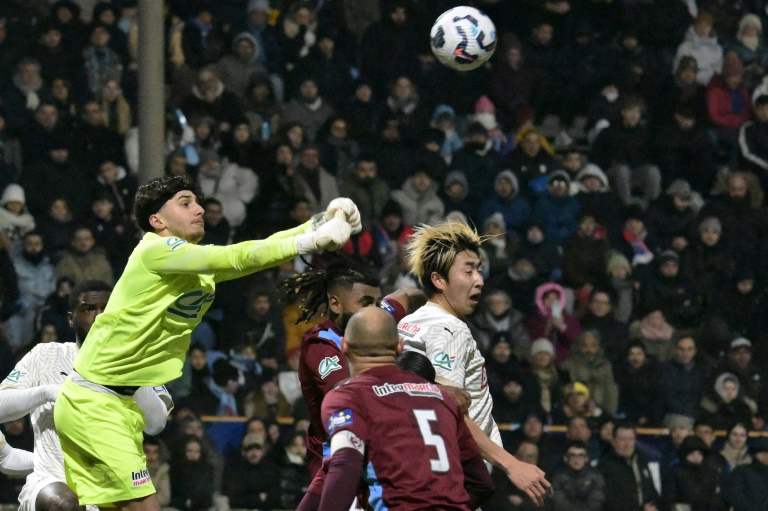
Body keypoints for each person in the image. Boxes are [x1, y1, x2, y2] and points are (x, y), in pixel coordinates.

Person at [53, 175, 360, 509]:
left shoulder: (192, 265)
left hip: (119, 402)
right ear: (157, 221)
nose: (198, 209)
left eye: (197, 202)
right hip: (96, 401)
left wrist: (317, 224)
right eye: (185, 203)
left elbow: (253, 253)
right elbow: (237, 256)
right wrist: (311, 241)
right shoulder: (154, 250)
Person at [398, 220, 550, 505]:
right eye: (468, 270)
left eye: (479, 269)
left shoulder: (410, 322)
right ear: (438, 280)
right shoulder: (448, 329)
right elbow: (446, 411)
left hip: (417, 467)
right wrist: (512, 464)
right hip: (452, 470)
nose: (479, 279)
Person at [0, 280, 172, 511]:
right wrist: (48, 392)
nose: (99, 316)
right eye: (89, 309)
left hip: (115, 484)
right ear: (71, 318)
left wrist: (128, 371)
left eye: (107, 308)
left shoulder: (138, 362)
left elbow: (156, 424)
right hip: (53, 480)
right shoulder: (46, 355)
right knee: (65, 504)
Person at [319, 307, 494, 510]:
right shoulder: (441, 397)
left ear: (344, 347)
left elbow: (345, 464)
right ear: (399, 347)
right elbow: (482, 484)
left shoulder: (347, 396)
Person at [278, 260, 428, 479]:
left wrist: (434, 317)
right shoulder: (321, 343)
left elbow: (407, 294)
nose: (375, 311)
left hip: (380, 454)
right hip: (336, 462)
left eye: (377, 303)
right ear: (335, 304)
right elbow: (346, 395)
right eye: (365, 303)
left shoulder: (374, 318)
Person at [598, 422, 661, 511]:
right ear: (613, 441)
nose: (627, 444)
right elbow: (610, 502)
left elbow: (651, 491)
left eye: (630, 439)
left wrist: (654, 505)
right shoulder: (605, 466)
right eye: (622, 439)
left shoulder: (641, 462)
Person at [550, 440, 606, 511]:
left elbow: (597, 501)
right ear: (565, 458)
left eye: (581, 455)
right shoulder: (558, 477)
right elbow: (558, 501)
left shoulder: (596, 476)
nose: (576, 459)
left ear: (587, 458)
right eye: (572, 455)